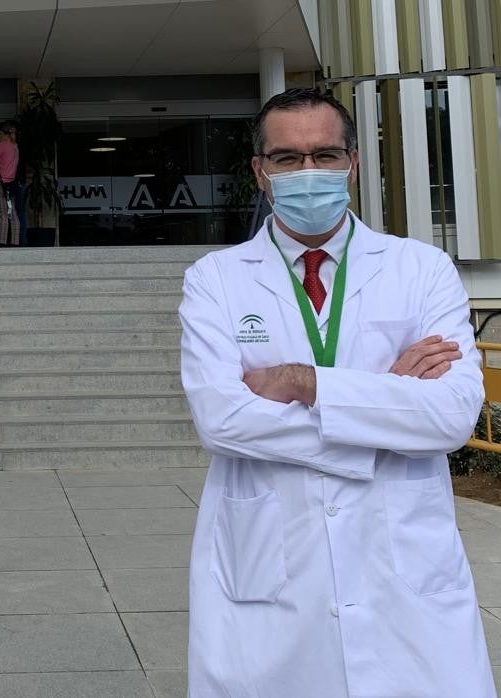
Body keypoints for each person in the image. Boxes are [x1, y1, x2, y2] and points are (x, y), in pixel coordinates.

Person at [179, 88, 495, 697]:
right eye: (288, 158)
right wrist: (383, 404)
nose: (309, 172)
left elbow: (453, 416)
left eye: (324, 154)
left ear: (352, 162)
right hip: (270, 570)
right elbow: (221, 419)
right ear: (260, 171)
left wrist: (305, 383)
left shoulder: (420, 270)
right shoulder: (216, 281)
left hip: (402, 571)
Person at [0, 122, 21, 246]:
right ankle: (15, 242)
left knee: (2, 214)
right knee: (13, 213)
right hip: (11, 184)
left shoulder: (1, 145)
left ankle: (2, 242)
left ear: (1, 133)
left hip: (0, 184)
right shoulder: (15, 146)